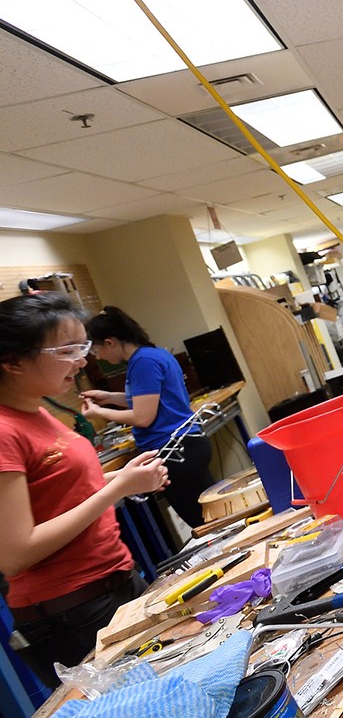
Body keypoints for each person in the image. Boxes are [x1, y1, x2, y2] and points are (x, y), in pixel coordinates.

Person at [0, 294, 169, 686]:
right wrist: (116, 490)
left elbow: (61, 494)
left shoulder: (37, 409)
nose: (82, 361)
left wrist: (122, 480)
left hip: (111, 584)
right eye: (67, 350)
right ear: (12, 362)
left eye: (83, 347)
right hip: (72, 612)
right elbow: (15, 553)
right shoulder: (5, 430)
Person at [81, 307, 214, 530]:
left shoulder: (143, 362)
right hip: (185, 445)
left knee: (205, 525)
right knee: (209, 517)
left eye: (96, 351)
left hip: (176, 451)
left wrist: (98, 413)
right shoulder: (152, 354)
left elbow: (142, 417)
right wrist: (108, 397)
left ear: (110, 342)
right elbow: (146, 398)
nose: (99, 357)